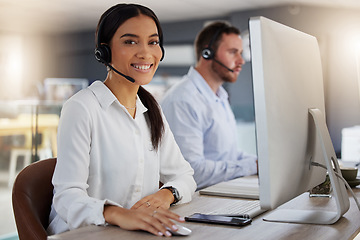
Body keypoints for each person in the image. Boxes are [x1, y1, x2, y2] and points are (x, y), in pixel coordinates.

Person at [47, 4, 196, 237]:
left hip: (137, 232)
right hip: (85, 233)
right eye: (130, 41)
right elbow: (67, 196)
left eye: (153, 42)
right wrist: (118, 214)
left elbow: (184, 176)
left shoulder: (151, 109)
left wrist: (165, 195)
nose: (145, 53)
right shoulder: (81, 108)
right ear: (104, 52)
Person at [161, 21, 257, 190]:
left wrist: (260, 162)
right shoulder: (183, 100)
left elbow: (229, 155)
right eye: (233, 52)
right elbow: (192, 171)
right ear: (207, 53)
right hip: (198, 201)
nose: (241, 60)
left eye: (241, 53)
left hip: (220, 192)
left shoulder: (219, 97)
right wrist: (251, 166)